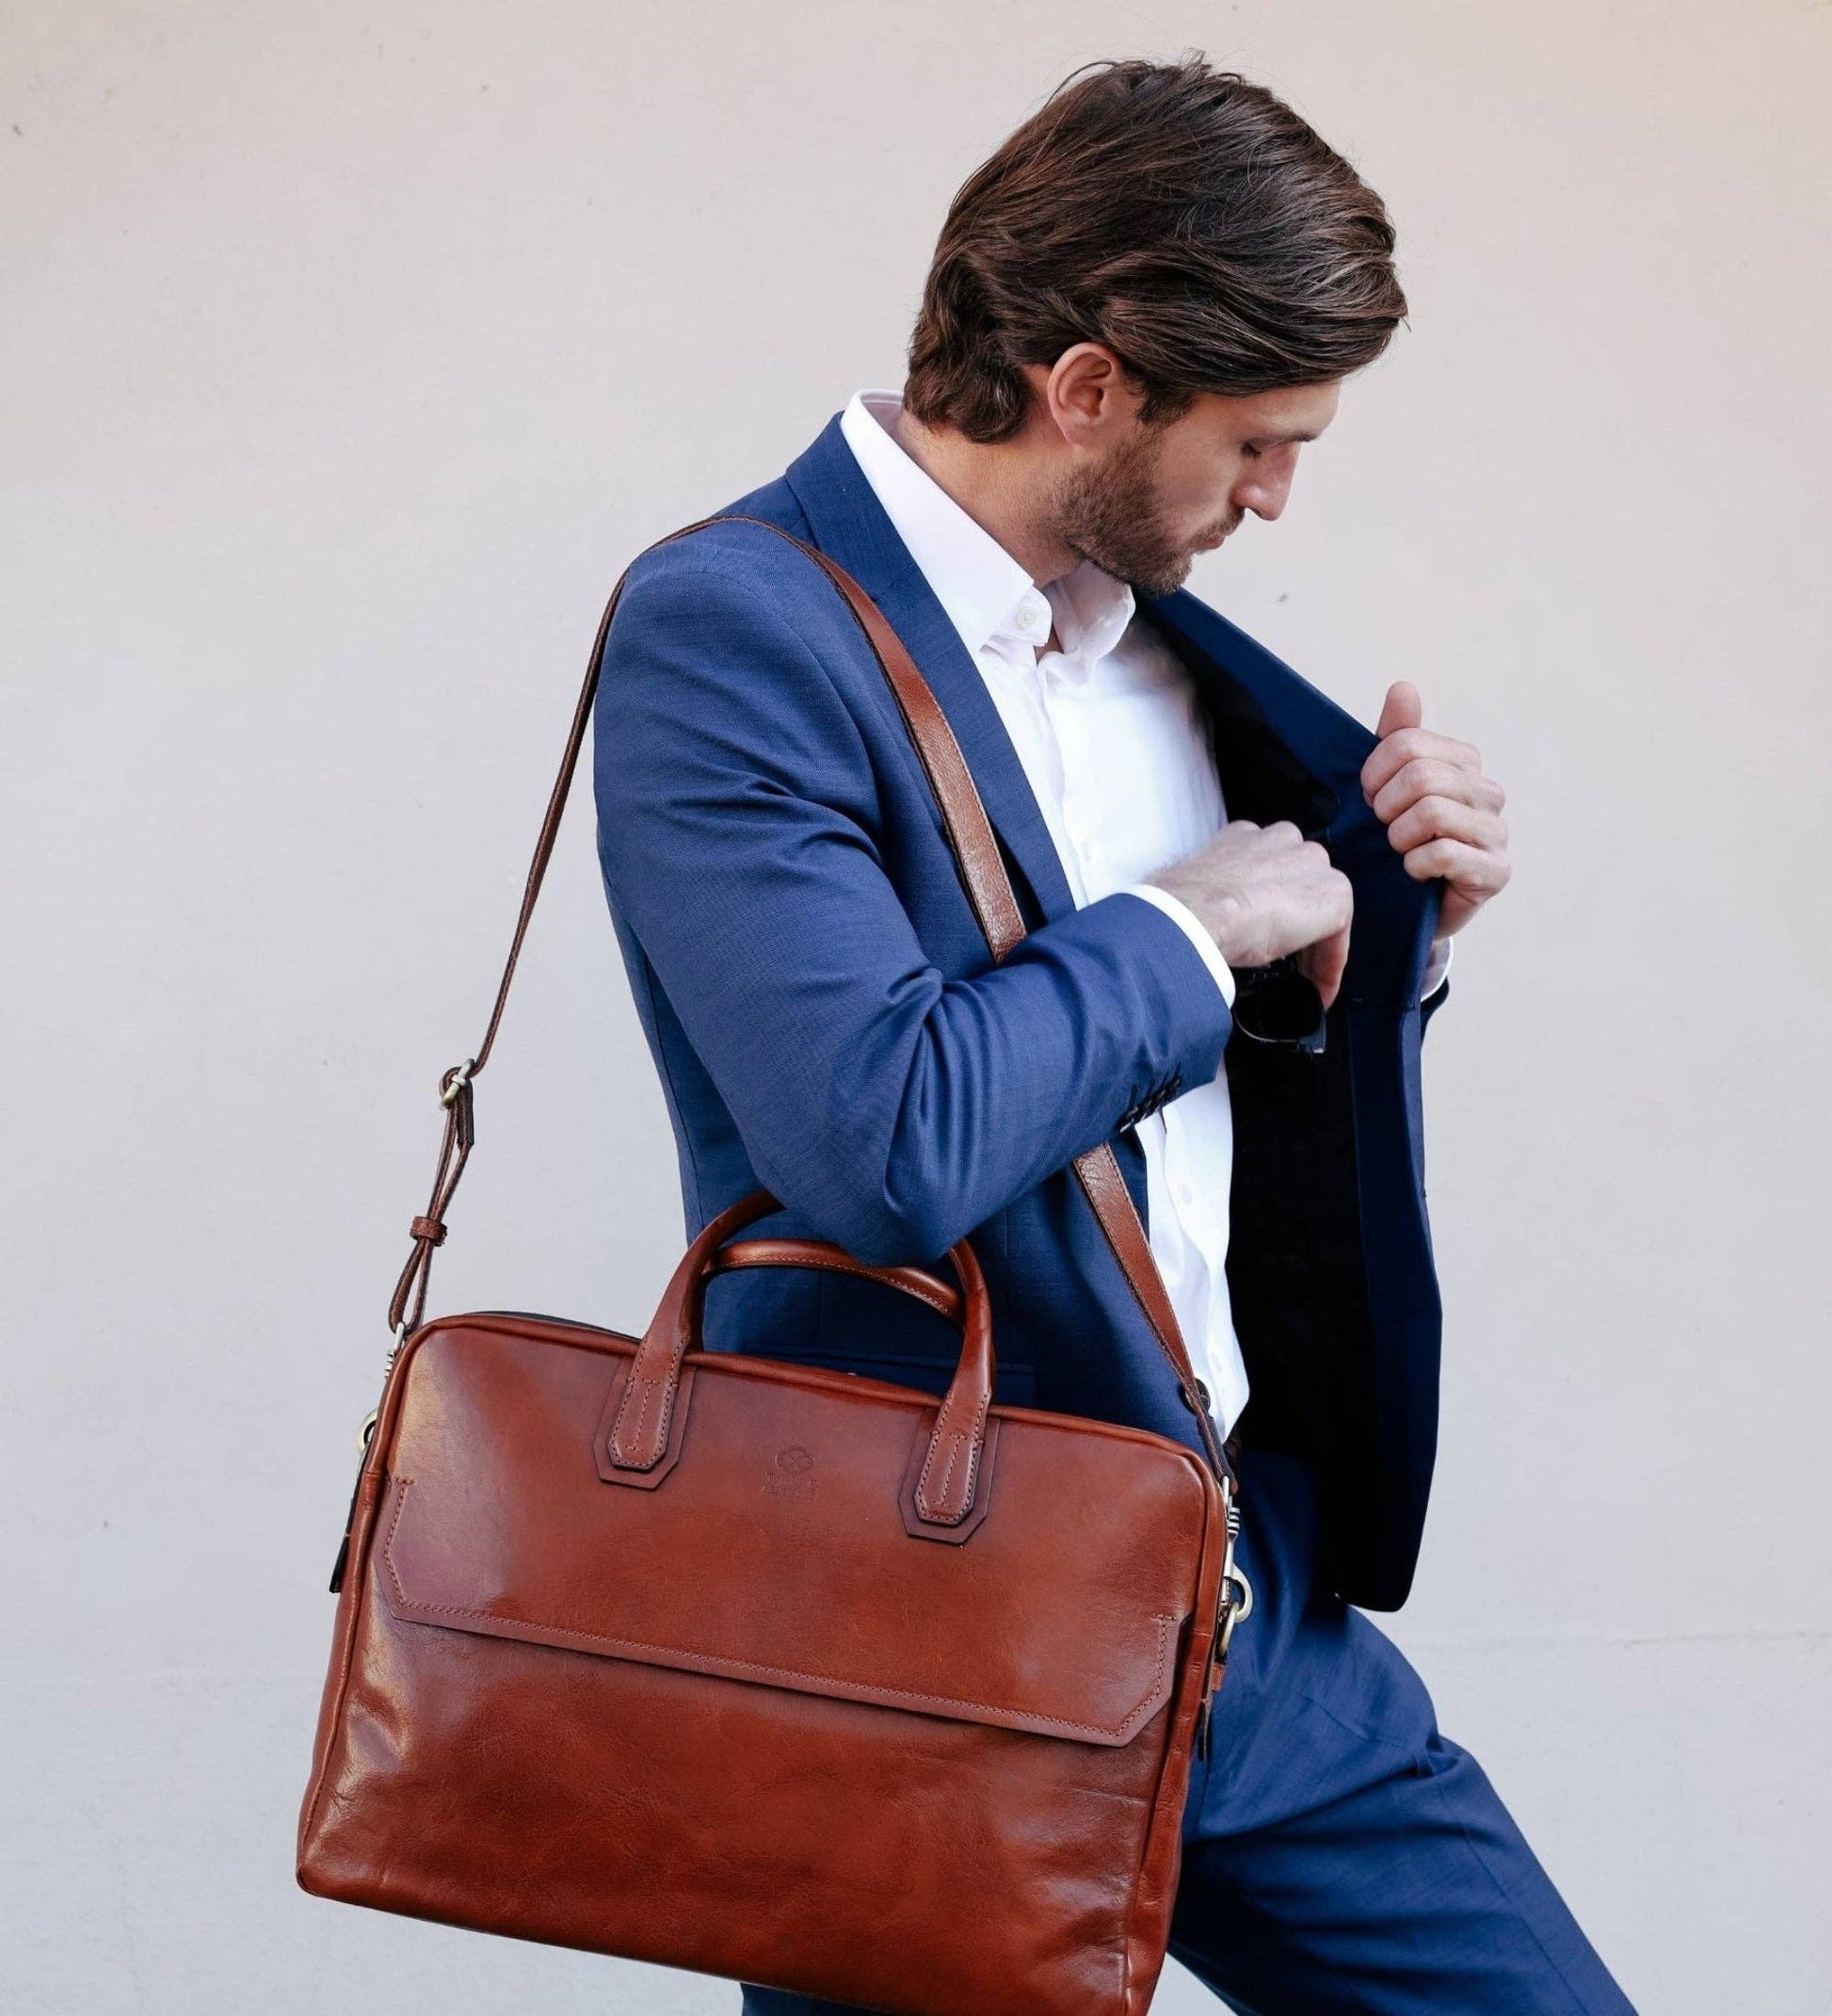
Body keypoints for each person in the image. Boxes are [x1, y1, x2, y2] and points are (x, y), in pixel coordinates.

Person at [591, 55, 1634, 2016]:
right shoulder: (736, 629)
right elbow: (882, 1137)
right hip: (924, 1656)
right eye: (1256, 440)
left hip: (1245, 1612)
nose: (1279, 495)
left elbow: (1171, 1113)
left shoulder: (1164, 649)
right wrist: (1191, 924)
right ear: (1085, 385)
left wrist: (1372, 953)